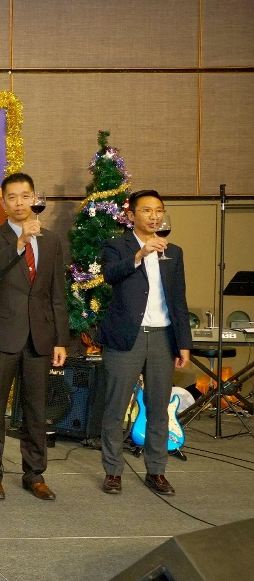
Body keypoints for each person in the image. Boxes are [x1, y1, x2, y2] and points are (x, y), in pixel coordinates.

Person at [0, 172, 69, 501]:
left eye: (25, 196)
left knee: (36, 409)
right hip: (3, 334)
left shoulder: (52, 241)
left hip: (39, 336)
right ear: (3, 203)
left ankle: (35, 474)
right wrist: (19, 243)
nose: (19, 203)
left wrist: (60, 339)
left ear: (34, 199)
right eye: (12, 197)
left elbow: (57, 294)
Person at [97, 190, 191, 496]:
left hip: (163, 337)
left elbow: (178, 300)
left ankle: (157, 471)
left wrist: (183, 342)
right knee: (115, 407)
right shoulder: (116, 246)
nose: (154, 216)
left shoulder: (174, 252)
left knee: (158, 408)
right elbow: (110, 275)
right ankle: (113, 471)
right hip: (127, 336)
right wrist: (140, 254)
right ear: (131, 216)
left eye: (159, 211)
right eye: (147, 211)